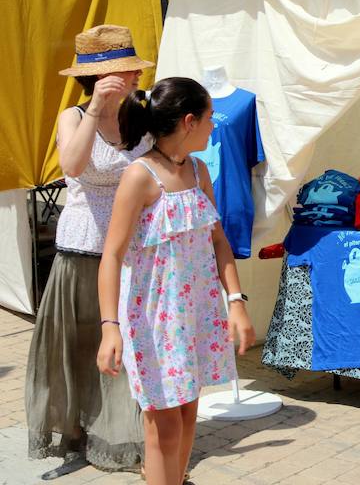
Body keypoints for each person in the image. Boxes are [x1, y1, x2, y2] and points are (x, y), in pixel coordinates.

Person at [96, 77, 255, 485]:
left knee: (186, 416)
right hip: (154, 322)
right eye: (207, 119)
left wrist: (235, 300)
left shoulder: (200, 171)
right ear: (188, 122)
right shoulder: (140, 176)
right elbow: (111, 255)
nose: (213, 127)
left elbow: (218, 240)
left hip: (195, 316)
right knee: (162, 427)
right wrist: (109, 328)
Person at [25, 25, 154, 479]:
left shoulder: (144, 113)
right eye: (127, 68)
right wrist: (96, 107)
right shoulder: (73, 117)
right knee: (82, 345)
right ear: (102, 76)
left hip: (135, 248)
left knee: (132, 347)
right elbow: (73, 166)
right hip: (84, 246)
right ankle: (80, 431)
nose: (137, 73)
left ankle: (134, 438)